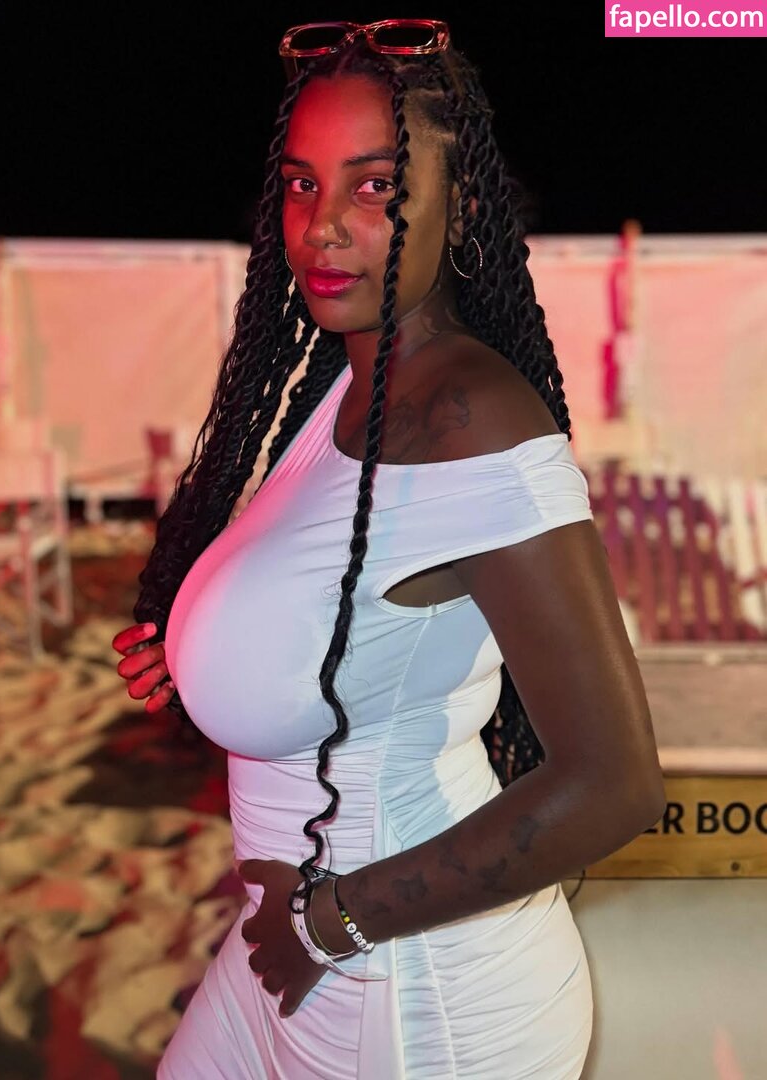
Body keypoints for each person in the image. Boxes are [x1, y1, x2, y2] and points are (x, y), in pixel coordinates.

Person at [113, 20, 666, 1079]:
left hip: (414, 995)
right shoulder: (344, 388)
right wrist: (202, 657)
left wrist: (334, 922)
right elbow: (358, 630)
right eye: (301, 184)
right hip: (292, 951)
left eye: (373, 188)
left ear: (459, 209)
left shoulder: (471, 417)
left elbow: (616, 781)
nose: (322, 227)